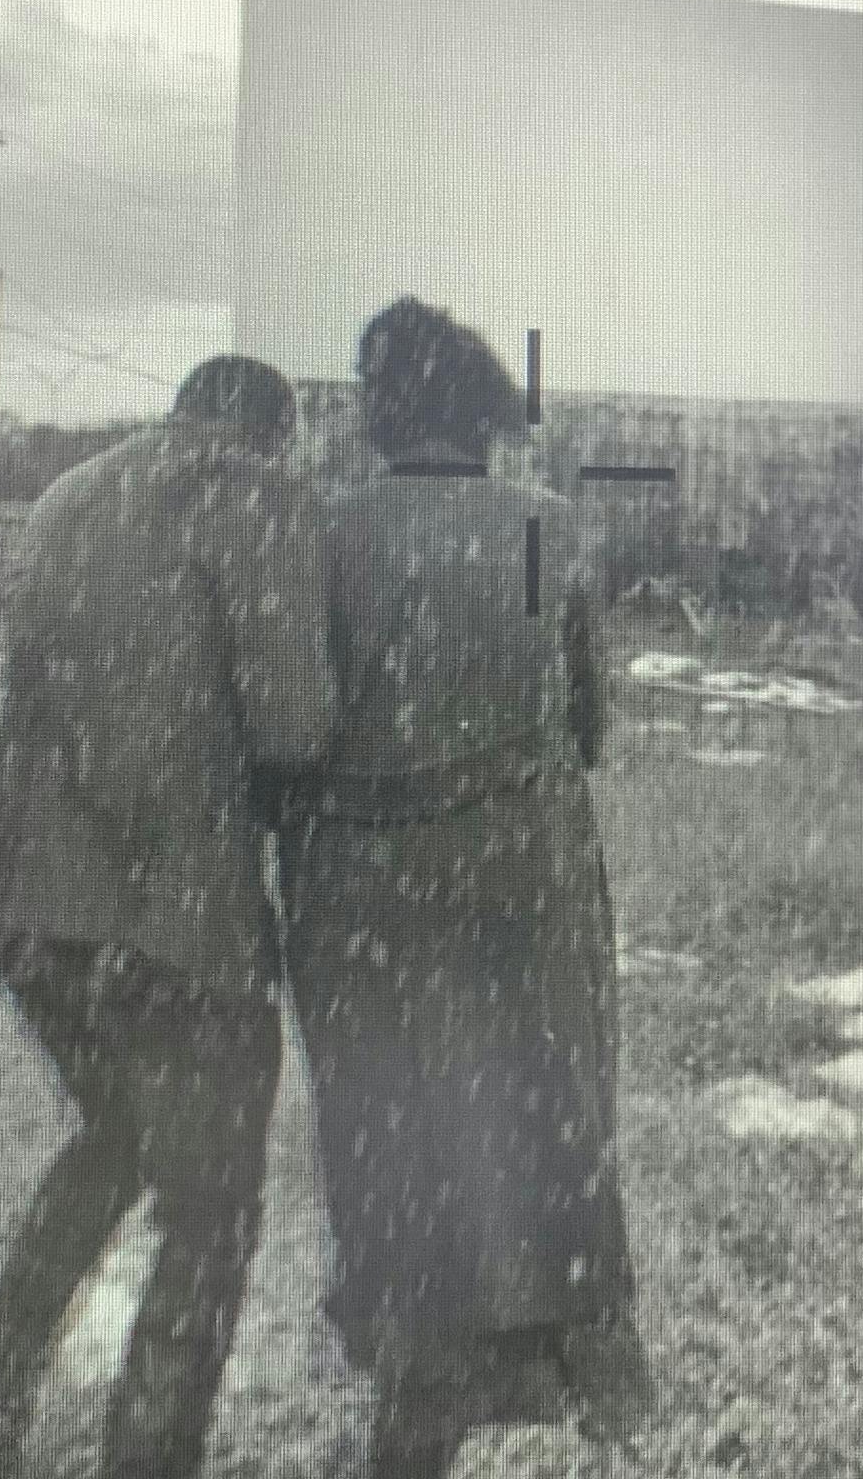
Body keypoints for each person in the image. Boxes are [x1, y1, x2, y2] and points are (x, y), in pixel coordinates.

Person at [0, 355, 336, 1479]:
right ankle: (146, 1463)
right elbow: (293, 726)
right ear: (270, 434)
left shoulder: (68, 493)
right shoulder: (253, 492)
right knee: (211, 1215)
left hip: (26, 910)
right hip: (173, 927)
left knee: (111, 1146)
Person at [274, 298, 656, 1479]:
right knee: (531, 1135)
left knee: (393, 1144)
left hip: (365, 900)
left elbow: (291, 734)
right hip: (521, 889)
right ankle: (513, 1363)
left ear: (383, 410)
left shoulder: (323, 534)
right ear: (481, 412)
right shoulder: (542, 529)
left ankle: (415, 1385)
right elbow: (587, 729)